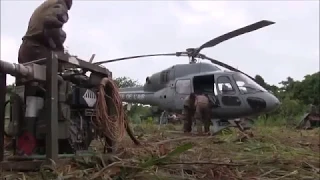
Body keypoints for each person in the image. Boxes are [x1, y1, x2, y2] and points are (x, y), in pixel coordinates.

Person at [15, 0, 72, 156]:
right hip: (37, 50)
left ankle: (25, 141)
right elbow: (51, 22)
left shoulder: (44, 5)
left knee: (31, 92)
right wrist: (60, 50)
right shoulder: (60, 5)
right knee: (58, 83)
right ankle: (44, 139)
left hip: (26, 49)